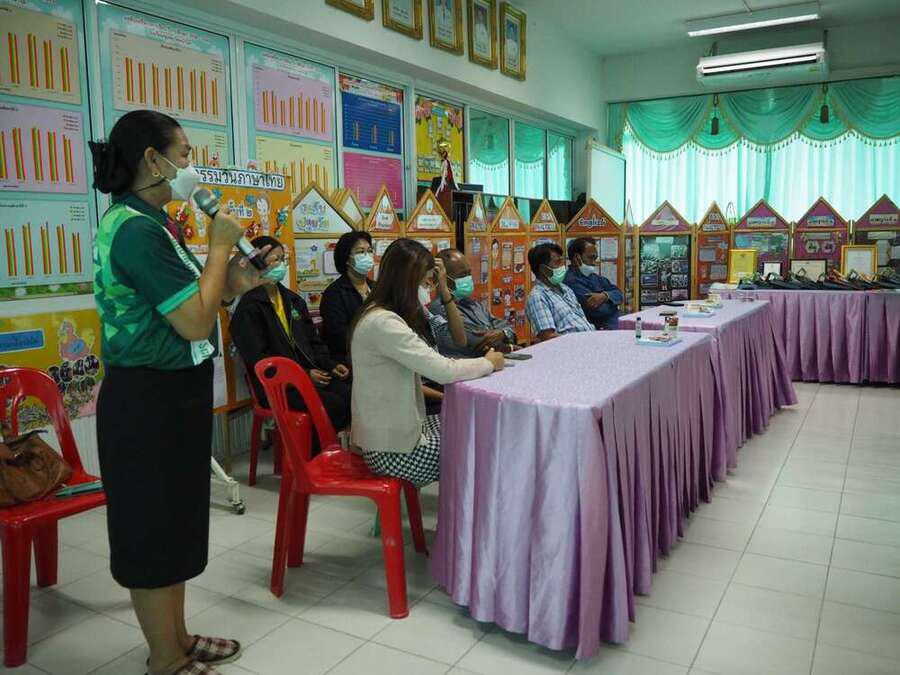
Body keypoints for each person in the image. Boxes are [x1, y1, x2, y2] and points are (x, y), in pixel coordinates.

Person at [90, 110, 274, 675]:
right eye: (187, 154)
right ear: (154, 160)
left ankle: (179, 637)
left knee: (175, 525)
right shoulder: (134, 230)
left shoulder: (157, 223)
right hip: (146, 401)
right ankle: (165, 660)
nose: (194, 166)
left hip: (174, 395)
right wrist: (218, 248)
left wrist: (234, 280)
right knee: (152, 531)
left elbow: (195, 302)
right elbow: (194, 323)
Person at [350, 239, 504, 487]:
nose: (428, 289)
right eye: (424, 283)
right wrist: (488, 363)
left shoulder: (387, 312)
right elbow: (443, 371)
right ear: (407, 283)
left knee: (471, 424)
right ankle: (476, 509)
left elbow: (456, 342)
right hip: (393, 452)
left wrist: (444, 289)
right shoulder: (384, 323)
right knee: (486, 441)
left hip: (395, 435)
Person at [229, 236, 351, 433]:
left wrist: (331, 365)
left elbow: (313, 341)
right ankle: (316, 450)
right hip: (277, 386)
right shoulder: (248, 308)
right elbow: (260, 359)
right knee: (333, 405)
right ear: (256, 263)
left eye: (282, 259)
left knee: (349, 393)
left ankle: (333, 445)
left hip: (306, 376)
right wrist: (304, 375)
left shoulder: (293, 300)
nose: (281, 264)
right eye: (275, 259)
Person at [428, 248, 516, 357]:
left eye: (469, 273)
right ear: (443, 278)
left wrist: (503, 333)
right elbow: (478, 340)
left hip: (492, 361)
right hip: (467, 364)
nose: (468, 278)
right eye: (462, 275)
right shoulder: (439, 308)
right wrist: (508, 344)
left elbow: (505, 326)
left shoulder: (473, 303)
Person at [319, 231, 374, 366]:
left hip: (377, 355)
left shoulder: (377, 288)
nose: (367, 256)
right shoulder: (334, 293)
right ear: (347, 259)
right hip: (347, 361)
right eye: (361, 252)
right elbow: (339, 335)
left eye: (369, 251)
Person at [525, 242, 594, 341]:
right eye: (558, 262)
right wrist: (580, 341)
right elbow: (548, 337)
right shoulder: (537, 297)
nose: (563, 266)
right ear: (543, 269)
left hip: (589, 339)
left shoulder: (566, 289)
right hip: (571, 346)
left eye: (562, 261)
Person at [563, 237, 624, 329]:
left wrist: (604, 296)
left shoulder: (594, 277)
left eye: (595, 258)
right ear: (577, 258)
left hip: (617, 323)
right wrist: (614, 303)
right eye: (590, 258)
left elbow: (620, 294)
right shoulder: (571, 282)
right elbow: (600, 310)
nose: (594, 263)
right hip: (602, 329)